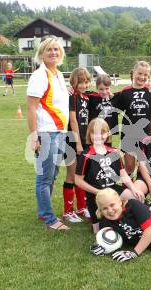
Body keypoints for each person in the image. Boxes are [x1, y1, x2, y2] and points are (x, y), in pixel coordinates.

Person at [26, 36, 70, 230]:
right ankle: (48, 217)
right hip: (46, 133)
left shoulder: (58, 74)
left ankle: (44, 212)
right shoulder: (39, 76)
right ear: (41, 53)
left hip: (60, 132)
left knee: (52, 175)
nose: (53, 52)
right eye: (49, 49)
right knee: (44, 176)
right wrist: (34, 137)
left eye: (56, 49)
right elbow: (31, 108)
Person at [75, 118, 145, 233]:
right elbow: (78, 181)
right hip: (96, 195)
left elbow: (123, 175)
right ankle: (104, 219)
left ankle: (133, 220)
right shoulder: (86, 156)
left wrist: (133, 188)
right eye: (95, 133)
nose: (99, 136)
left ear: (107, 134)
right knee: (99, 232)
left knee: (136, 197)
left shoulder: (114, 152)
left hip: (113, 190)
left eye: (102, 133)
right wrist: (97, 192)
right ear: (90, 135)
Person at [117, 61, 151, 177]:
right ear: (133, 73)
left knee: (144, 166)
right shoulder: (125, 92)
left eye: (146, 75)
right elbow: (109, 103)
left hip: (146, 134)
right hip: (129, 135)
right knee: (130, 167)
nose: (142, 77)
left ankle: (140, 190)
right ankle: (128, 194)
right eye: (140, 73)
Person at [62, 68, 91, 223]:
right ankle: (67, 211)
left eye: (86, 82)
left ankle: (81, 207)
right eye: (80, 82)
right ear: (74, 82)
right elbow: (72, 121)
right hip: (72, 141)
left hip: (83, 141)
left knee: (81, 175)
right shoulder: (71, 97)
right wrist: (78, 143)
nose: (83, 85)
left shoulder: (85, 98)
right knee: (72, 175)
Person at [86, 74, 120, 145]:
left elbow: (130, 91)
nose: (104, 92)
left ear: (110, 87)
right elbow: (78, 92)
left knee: (108, 154)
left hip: (109, 134)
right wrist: (70, 89)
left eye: (107, 88)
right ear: (96, 88)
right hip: (95, 135)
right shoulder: (92, 97)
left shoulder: (116, 97)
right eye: (101, 89)